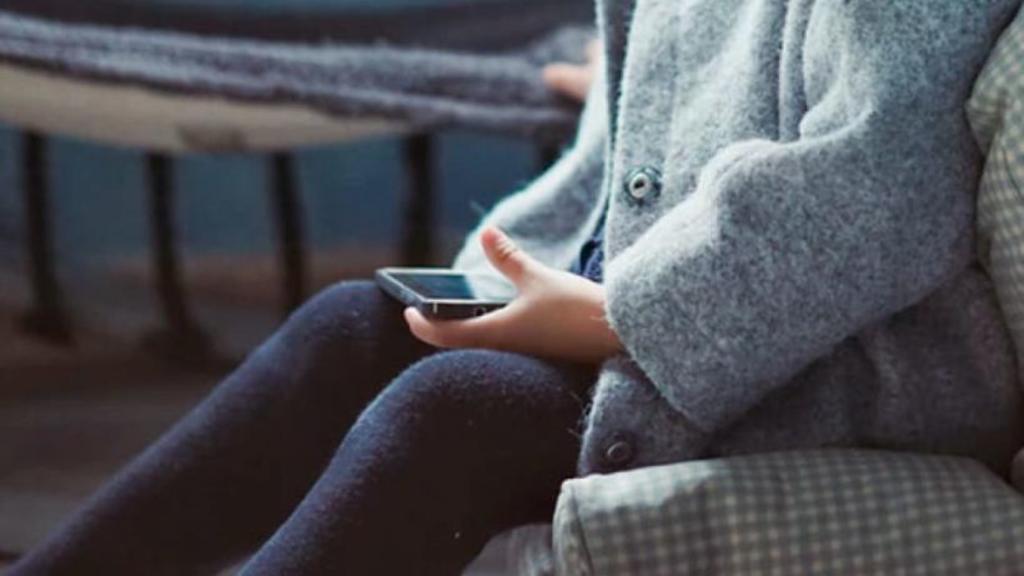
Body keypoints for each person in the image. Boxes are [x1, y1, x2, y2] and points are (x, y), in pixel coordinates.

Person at [12, 1, 1024, 574]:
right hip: (649, 303)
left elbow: (879, 190)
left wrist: (614, 320)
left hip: (836, 368)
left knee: (456, 412)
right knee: (354, 326)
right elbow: (653, 119)